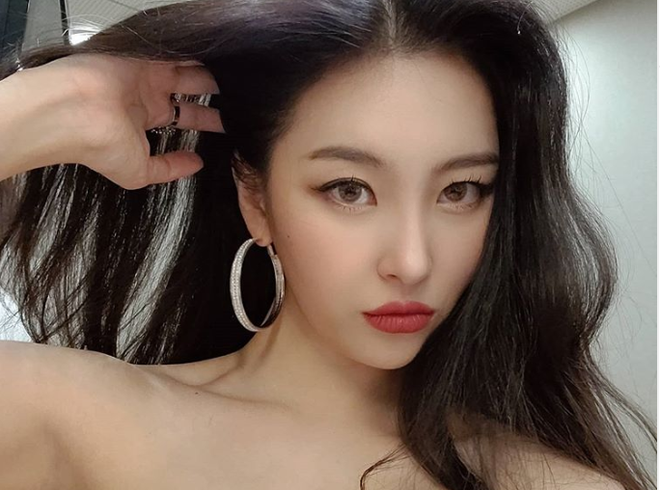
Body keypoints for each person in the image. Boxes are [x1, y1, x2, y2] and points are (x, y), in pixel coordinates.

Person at [0, 0, 654, 489]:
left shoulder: (548, 481)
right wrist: (42, 108)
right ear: (257, 199)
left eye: (459, 191)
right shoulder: (76, 419)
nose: (412, 262)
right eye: (349, 189)